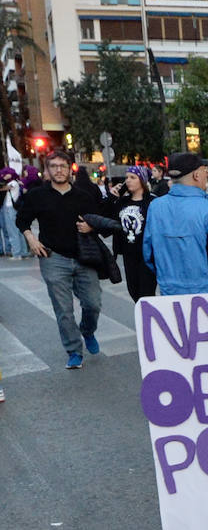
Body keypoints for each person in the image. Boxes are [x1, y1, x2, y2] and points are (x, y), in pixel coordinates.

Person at [15, 150, 108, 369]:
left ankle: (87, 331)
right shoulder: (37, 195)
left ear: (70, 169)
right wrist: (31, 239)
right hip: (53, 258)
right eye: (54, 166)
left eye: (63, 166)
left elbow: (97, 220)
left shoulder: (83, 196)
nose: (59, 170)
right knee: (64, 310)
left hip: (84, 258)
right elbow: (22, 220)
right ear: (47, 170)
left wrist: (90, 226)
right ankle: (74, 350)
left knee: (93, 303)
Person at [143, 152, 208, 295]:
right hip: (205, 295)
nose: (207, 174)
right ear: (196, 175)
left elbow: (148, 254)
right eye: (205, 170)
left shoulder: (155, 207)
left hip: (169, 292)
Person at [83, 166, 157, 301]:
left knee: (146, 294)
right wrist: (111, 198)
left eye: (132, 177)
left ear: (142, 180)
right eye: (127, 177)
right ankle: (143, 320)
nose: (128, 181)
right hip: (128, 253)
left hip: (147, 255)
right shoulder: (122, 201)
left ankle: (146, 320)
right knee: (134, 291)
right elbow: (103, 218)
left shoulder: (153, 201)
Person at [0, 167, 29, 259]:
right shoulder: (16, 182)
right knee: (19, 231)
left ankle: (17, 254)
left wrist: (3, 179)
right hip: (14, 209)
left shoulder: (12, 183)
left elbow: (1, 188)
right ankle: (23, 252)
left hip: (10, 209)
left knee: (13, 231)